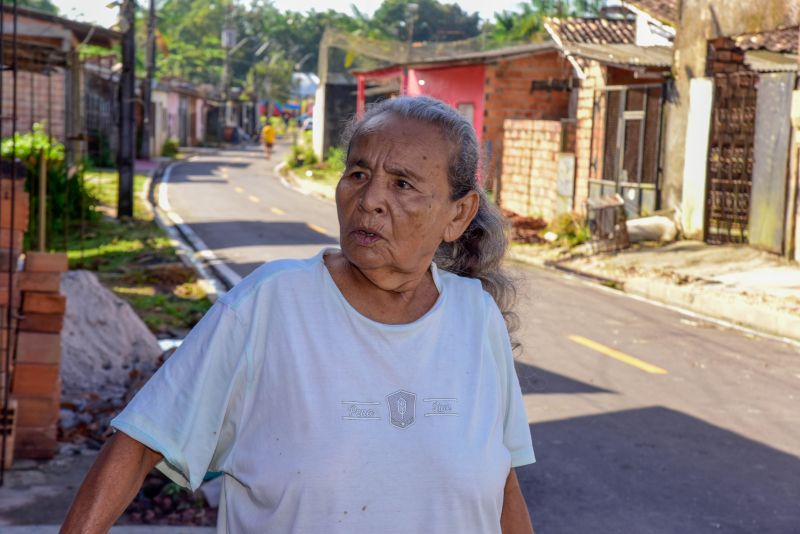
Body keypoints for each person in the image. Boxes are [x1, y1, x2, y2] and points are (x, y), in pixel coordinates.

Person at [61, 95, 536, 533]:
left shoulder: (476, 318)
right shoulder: (269, 304)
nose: (369, 199)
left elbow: (503, 487)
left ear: (458, 215)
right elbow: (141, 441)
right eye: (358, 173)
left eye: (403, 184)